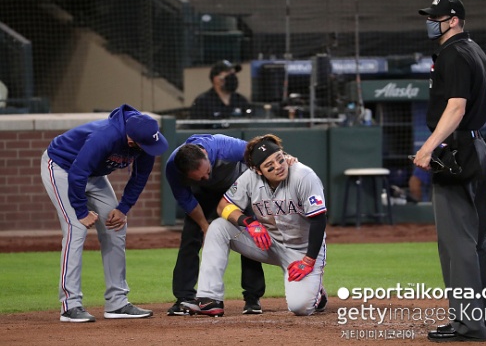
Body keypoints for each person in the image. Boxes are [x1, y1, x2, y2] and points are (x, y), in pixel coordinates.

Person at [413, 0, 486, 342]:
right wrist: (473, 124)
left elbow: (455, 107)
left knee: (459, 243)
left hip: (456, 153)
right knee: (478, 241)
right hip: (477, 146)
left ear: (453, 20)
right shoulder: (475, 49)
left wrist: (427, 148)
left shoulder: (452, 53)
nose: (430, 22)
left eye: (435, 17)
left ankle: (468, 325)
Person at [40, 104, 168, 322]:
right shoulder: (106, 136)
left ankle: (117, 303)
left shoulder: (145, 139)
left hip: (94, 175)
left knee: (116, 226)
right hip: (62, 167)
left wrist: (123, 208)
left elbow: (140, 177)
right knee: (76, 228)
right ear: (130, 141)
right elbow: (78, 172)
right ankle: (70, 305)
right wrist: (81, 210)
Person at [181, 134, 328, 317]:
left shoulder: (303, 176)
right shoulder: (250, 178)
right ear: (258, 170)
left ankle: (318, 295)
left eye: (279, 159)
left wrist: (308, 260)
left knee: (300, 307)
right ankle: (209, 298)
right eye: (269, 165)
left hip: (302, 250)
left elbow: (319, 219)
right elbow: (223, 207)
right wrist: (248, 222)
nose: (278, 167)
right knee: (218, 227)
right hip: (268, 243)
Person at [165, 134, 267, 316]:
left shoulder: (226, 147)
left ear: (205, 155)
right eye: (199, 176)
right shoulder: (173, 168)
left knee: (250, 231)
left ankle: (252, 298)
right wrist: (205, 227)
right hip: (204, 193)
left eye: (207, 172)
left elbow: (260, 153)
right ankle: (184, 297)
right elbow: (187, 201)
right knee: (190, 236)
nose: (205, 176)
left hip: (236, 189)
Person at [189, 60, 252, 126]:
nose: (233, 77)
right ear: (216, 78)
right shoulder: (202, 102)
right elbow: (197, 130)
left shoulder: (241, 100)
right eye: (229, 73)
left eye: (233, 74)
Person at [408, 166, 486, 202]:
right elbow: (415, 182)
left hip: (441, 205)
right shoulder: (436, 153)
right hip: (468, 206)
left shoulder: (436, 151)